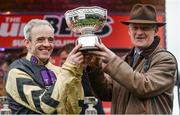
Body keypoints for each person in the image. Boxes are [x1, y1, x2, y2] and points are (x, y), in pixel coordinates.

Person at [86, 3, 177, 114]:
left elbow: (144, 87)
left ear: (156, 30)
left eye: (145, 28)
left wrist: (112, 61)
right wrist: (95, 68)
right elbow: (105, 94)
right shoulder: (124, 61)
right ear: (129, 31)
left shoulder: (165, 60)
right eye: (135, 27)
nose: (139, 32)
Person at [5, 19, 85, 114]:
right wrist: (69, 68)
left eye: (50, 40)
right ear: (27, 43)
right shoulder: (17, 71)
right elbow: (46, 106)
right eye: (40, 39)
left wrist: (77, 73)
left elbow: (74, 110)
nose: (47, 44)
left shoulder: (60, 71)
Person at [59, 43, 105, 114]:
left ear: (77, 57)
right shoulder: (61, 76)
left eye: (65, 58)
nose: (63, 62)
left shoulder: (90, 73)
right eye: (62, 59)